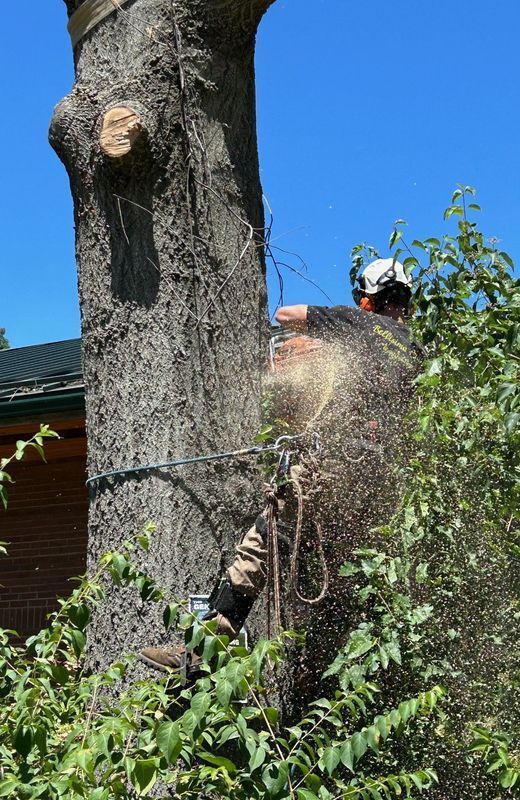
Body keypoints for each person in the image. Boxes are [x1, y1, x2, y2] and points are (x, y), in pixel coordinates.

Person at [139, 258, 423, 673]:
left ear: (368, 301)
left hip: (331, 462)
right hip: (376, 477)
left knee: (262, 542)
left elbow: (284, 315)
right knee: (344, 563)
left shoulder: (356, 324)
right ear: (405, 303)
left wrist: (329, 339)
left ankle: (200, 653)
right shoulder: (415, 350)